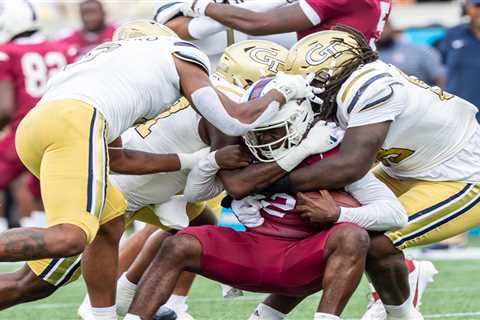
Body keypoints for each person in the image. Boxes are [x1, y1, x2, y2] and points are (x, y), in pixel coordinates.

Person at [0, 19, 312, 318]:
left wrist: (191, 163)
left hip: (43, 127)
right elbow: (234, 120)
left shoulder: (108, 71)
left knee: (110, 223)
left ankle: (103, 314)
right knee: (69, 239)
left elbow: (119, 158)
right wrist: (283, 90)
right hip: (75, 124)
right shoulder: (185, 55)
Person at [201, 26, 479, 320]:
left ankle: (402, 315)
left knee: (376, 239)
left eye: (313, 78)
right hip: (404, 168)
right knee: (315, 228)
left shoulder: (371, 88)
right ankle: (268, 315)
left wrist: (269, 186)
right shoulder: (348, 82)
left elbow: (350, 165)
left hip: (461, 176)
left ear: (333, 71)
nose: (308, 88)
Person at [122, 81, 407, 320]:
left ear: (299, 120)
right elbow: (198, 194)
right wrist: (211, 162)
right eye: (257, 132)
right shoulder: (245, 150)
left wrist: (339, 215)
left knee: (353, 236)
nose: (263, 140)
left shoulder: (332, 157)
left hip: (301, 256)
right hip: (249, 248)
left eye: (273, 131)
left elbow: (395, 214)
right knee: (177, 242)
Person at [0, 0, 78, 231]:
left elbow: (4, 109)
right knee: (42, 188)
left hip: (26, 130)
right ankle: (43, 240)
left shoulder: (8, 52)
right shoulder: (63, 49)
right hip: (66, 130)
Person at [156, 0, 391, 47]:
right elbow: (170, 28)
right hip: (208, 81)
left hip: (283, 84)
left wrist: (205, 7)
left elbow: (260, 22)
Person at [439, 0, 480, 108]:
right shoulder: (452, 34)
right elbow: (440, 68)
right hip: (459, 110)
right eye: (477, 6)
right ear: (467, 8)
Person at [378, 21, 445, 86]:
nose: (378, 31)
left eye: (382, 26)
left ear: (390, 26)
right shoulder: (370, 55)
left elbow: (440, 78)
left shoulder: (419, 50)